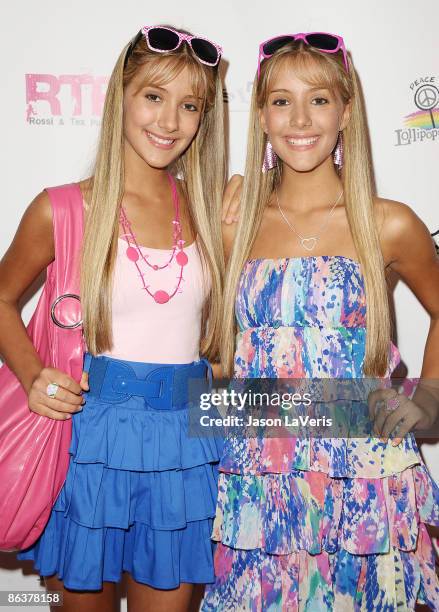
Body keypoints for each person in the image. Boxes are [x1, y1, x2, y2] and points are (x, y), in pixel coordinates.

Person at [203, 32, 439, 610]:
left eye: (320, 99)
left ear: (347, 111)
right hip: (259, 475)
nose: (300, 119)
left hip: (365, 473)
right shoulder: (232, 223)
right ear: (260, 115)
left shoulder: (389, 223)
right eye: (281, 101)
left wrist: (428, 397)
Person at [0, 24, 226, 612]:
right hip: (87, 443)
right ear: (119, 97)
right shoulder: (62, 208)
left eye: (189, 105)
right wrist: (30, 374)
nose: (169, 121)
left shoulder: (211, 214)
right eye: (154, 96)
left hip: (185, 442)